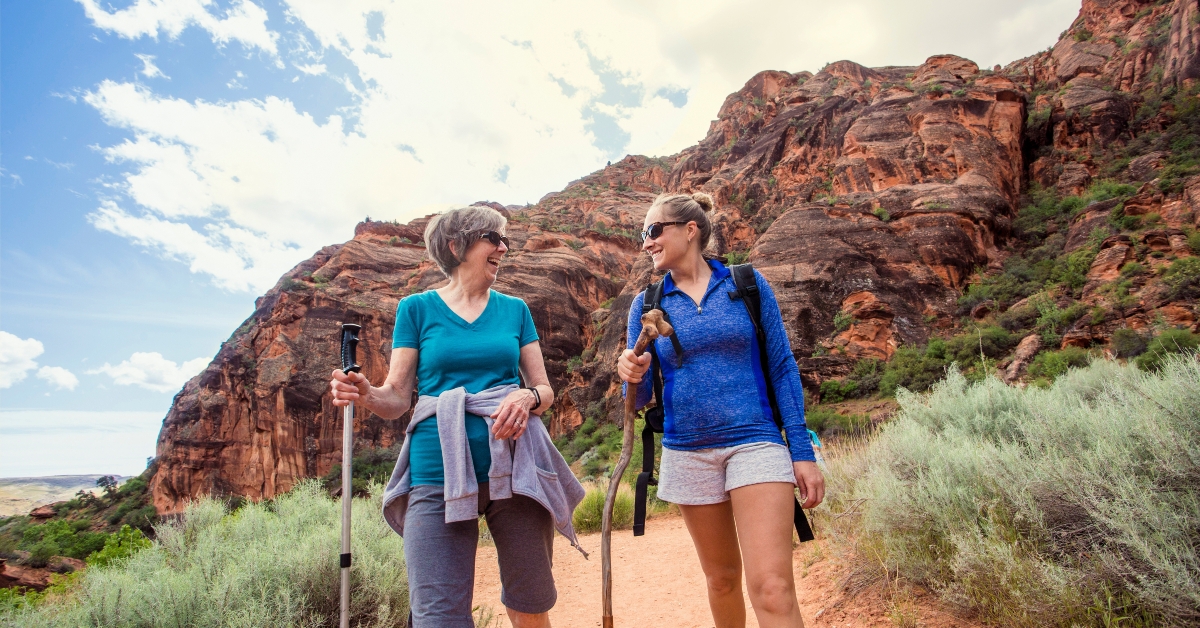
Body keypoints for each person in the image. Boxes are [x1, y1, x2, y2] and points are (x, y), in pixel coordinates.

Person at [330, 205, 585, 628]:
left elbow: (545, 390)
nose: (504, 248)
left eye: (505, 240)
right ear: (457, 245)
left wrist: (525, 398)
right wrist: (367, 394)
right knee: (437, 615)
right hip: (435, 472)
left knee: (529, 603)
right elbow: (396, 396)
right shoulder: (417, 309)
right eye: (494, 239)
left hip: (517, 469)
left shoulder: (515, 310)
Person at [617, 192, 825, 628]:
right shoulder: (648, 303)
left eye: (653, 231)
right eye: (642, 235)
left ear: (689, 230)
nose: (646, 243)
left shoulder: (746, 285)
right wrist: (629, 374)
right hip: (687, 450)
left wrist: (801, 450)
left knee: (772, 585)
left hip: (756, 442)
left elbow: (783, 366)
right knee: (723, 580)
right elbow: (635, 402)